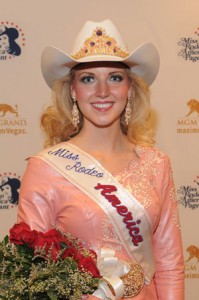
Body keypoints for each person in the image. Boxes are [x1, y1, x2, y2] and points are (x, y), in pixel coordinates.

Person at [17, 19, 184, 299]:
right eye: (88, 78)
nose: (103, 91)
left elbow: (169, 266)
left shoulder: (157, 165)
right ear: (73, 91)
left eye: (115, 78)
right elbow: (28, 270)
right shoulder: (46, 168)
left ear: (130, 88)